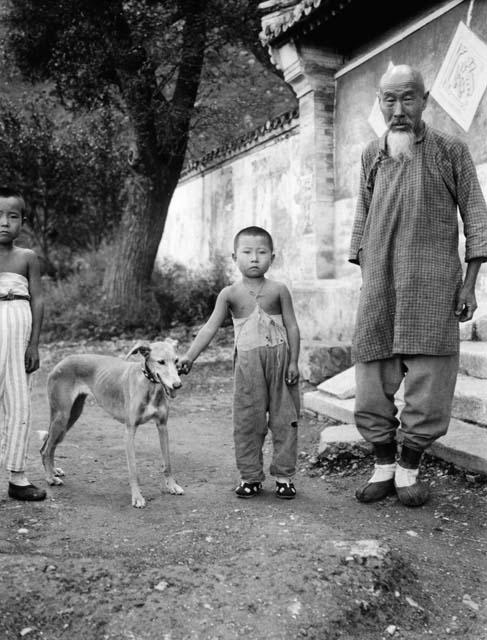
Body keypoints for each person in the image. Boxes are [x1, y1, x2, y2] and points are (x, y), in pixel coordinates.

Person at [349, 64, 487, 507]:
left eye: (407, 98)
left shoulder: (451, 151)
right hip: (381, 290)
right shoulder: (372, 154)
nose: (398, 110)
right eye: (389, 100)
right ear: (380, 103)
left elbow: (477, 220)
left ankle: (408, 470)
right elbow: (360, 221)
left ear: (424, 100)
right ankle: (383, 467)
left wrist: (469, 286)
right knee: (371, 383)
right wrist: (369, 278)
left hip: (432, 290)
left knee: (429, 389)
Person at [179, 226, 301, 499]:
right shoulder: (229, 294)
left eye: (261, 252)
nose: (254, 258)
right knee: (247, 419)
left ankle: (284, 476)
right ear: (235, 257)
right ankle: (250, 477)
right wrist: (189, 356)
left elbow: (292, 327)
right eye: (247, 252)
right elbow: (210, 327)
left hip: (280, 364)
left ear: (273, 256)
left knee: (285, 419)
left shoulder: (279, 290)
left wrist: (294, 361)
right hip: (248, 367)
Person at [0, 187, 46, 501]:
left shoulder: (27, 257)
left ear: (23, 221)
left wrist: (34, 345)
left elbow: (39, 300)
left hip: (18, 335)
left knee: (19, 403)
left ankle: (17, 477)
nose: (4, 222)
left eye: (12, 216)